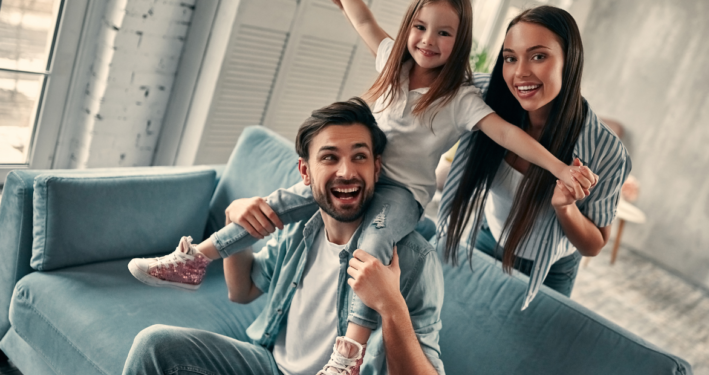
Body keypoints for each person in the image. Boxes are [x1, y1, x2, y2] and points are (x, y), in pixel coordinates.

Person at [128, 0, 593, 364]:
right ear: (410, 26)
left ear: (461, 41)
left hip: (400, 195)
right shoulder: (394, 66)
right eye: (421, 27)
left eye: (445, 33)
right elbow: (365, 21)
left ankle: (348, 352)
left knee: (369, 251)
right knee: (277, 202)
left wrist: (560, 168)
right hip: (364, 178)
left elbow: (509, 133)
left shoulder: (460, 100)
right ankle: (195, 260)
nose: (428, 40)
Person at [122, 98, 445, 375]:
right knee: (154, 345)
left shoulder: (415, 260)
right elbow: (242, 290)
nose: (346, 172)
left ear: (377, 168)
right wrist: (233, 218)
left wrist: (391, 307)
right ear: (305, 172)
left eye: (359, 157)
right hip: (270, 365)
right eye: (330, 157)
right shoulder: (301, 229)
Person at [438, 5, 631, 308]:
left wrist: (565, 208)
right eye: (510, 58)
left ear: (570, 61)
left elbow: (594, 244)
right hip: (489, 238)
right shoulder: (485, 97)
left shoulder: (605, 149)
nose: (520, 72)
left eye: (538, 56)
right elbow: (415, 68)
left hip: (550, 268)